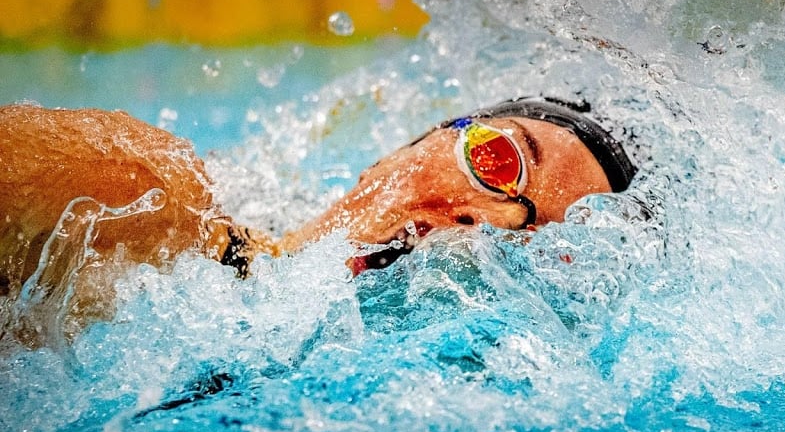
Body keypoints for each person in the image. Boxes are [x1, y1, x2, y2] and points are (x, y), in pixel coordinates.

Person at [0, 97, 637, 311]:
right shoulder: (146, 192)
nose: (492, 218)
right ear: (423, 139)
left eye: (532, 235)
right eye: (500, 160)